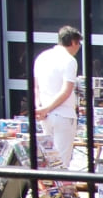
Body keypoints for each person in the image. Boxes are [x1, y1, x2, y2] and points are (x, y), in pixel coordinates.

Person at [33, 26, 83, 169]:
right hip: (63, 114)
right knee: (61, 162)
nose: (78, 47)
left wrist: (40, 108)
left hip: (45, 115)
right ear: (73, 42)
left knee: (49, 159)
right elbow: (66, 90)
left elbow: (36, 87)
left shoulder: (42, 57)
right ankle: (62, 191)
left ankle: (49, 190)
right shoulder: (69, 60)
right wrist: (47, 108)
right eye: (79, 43)